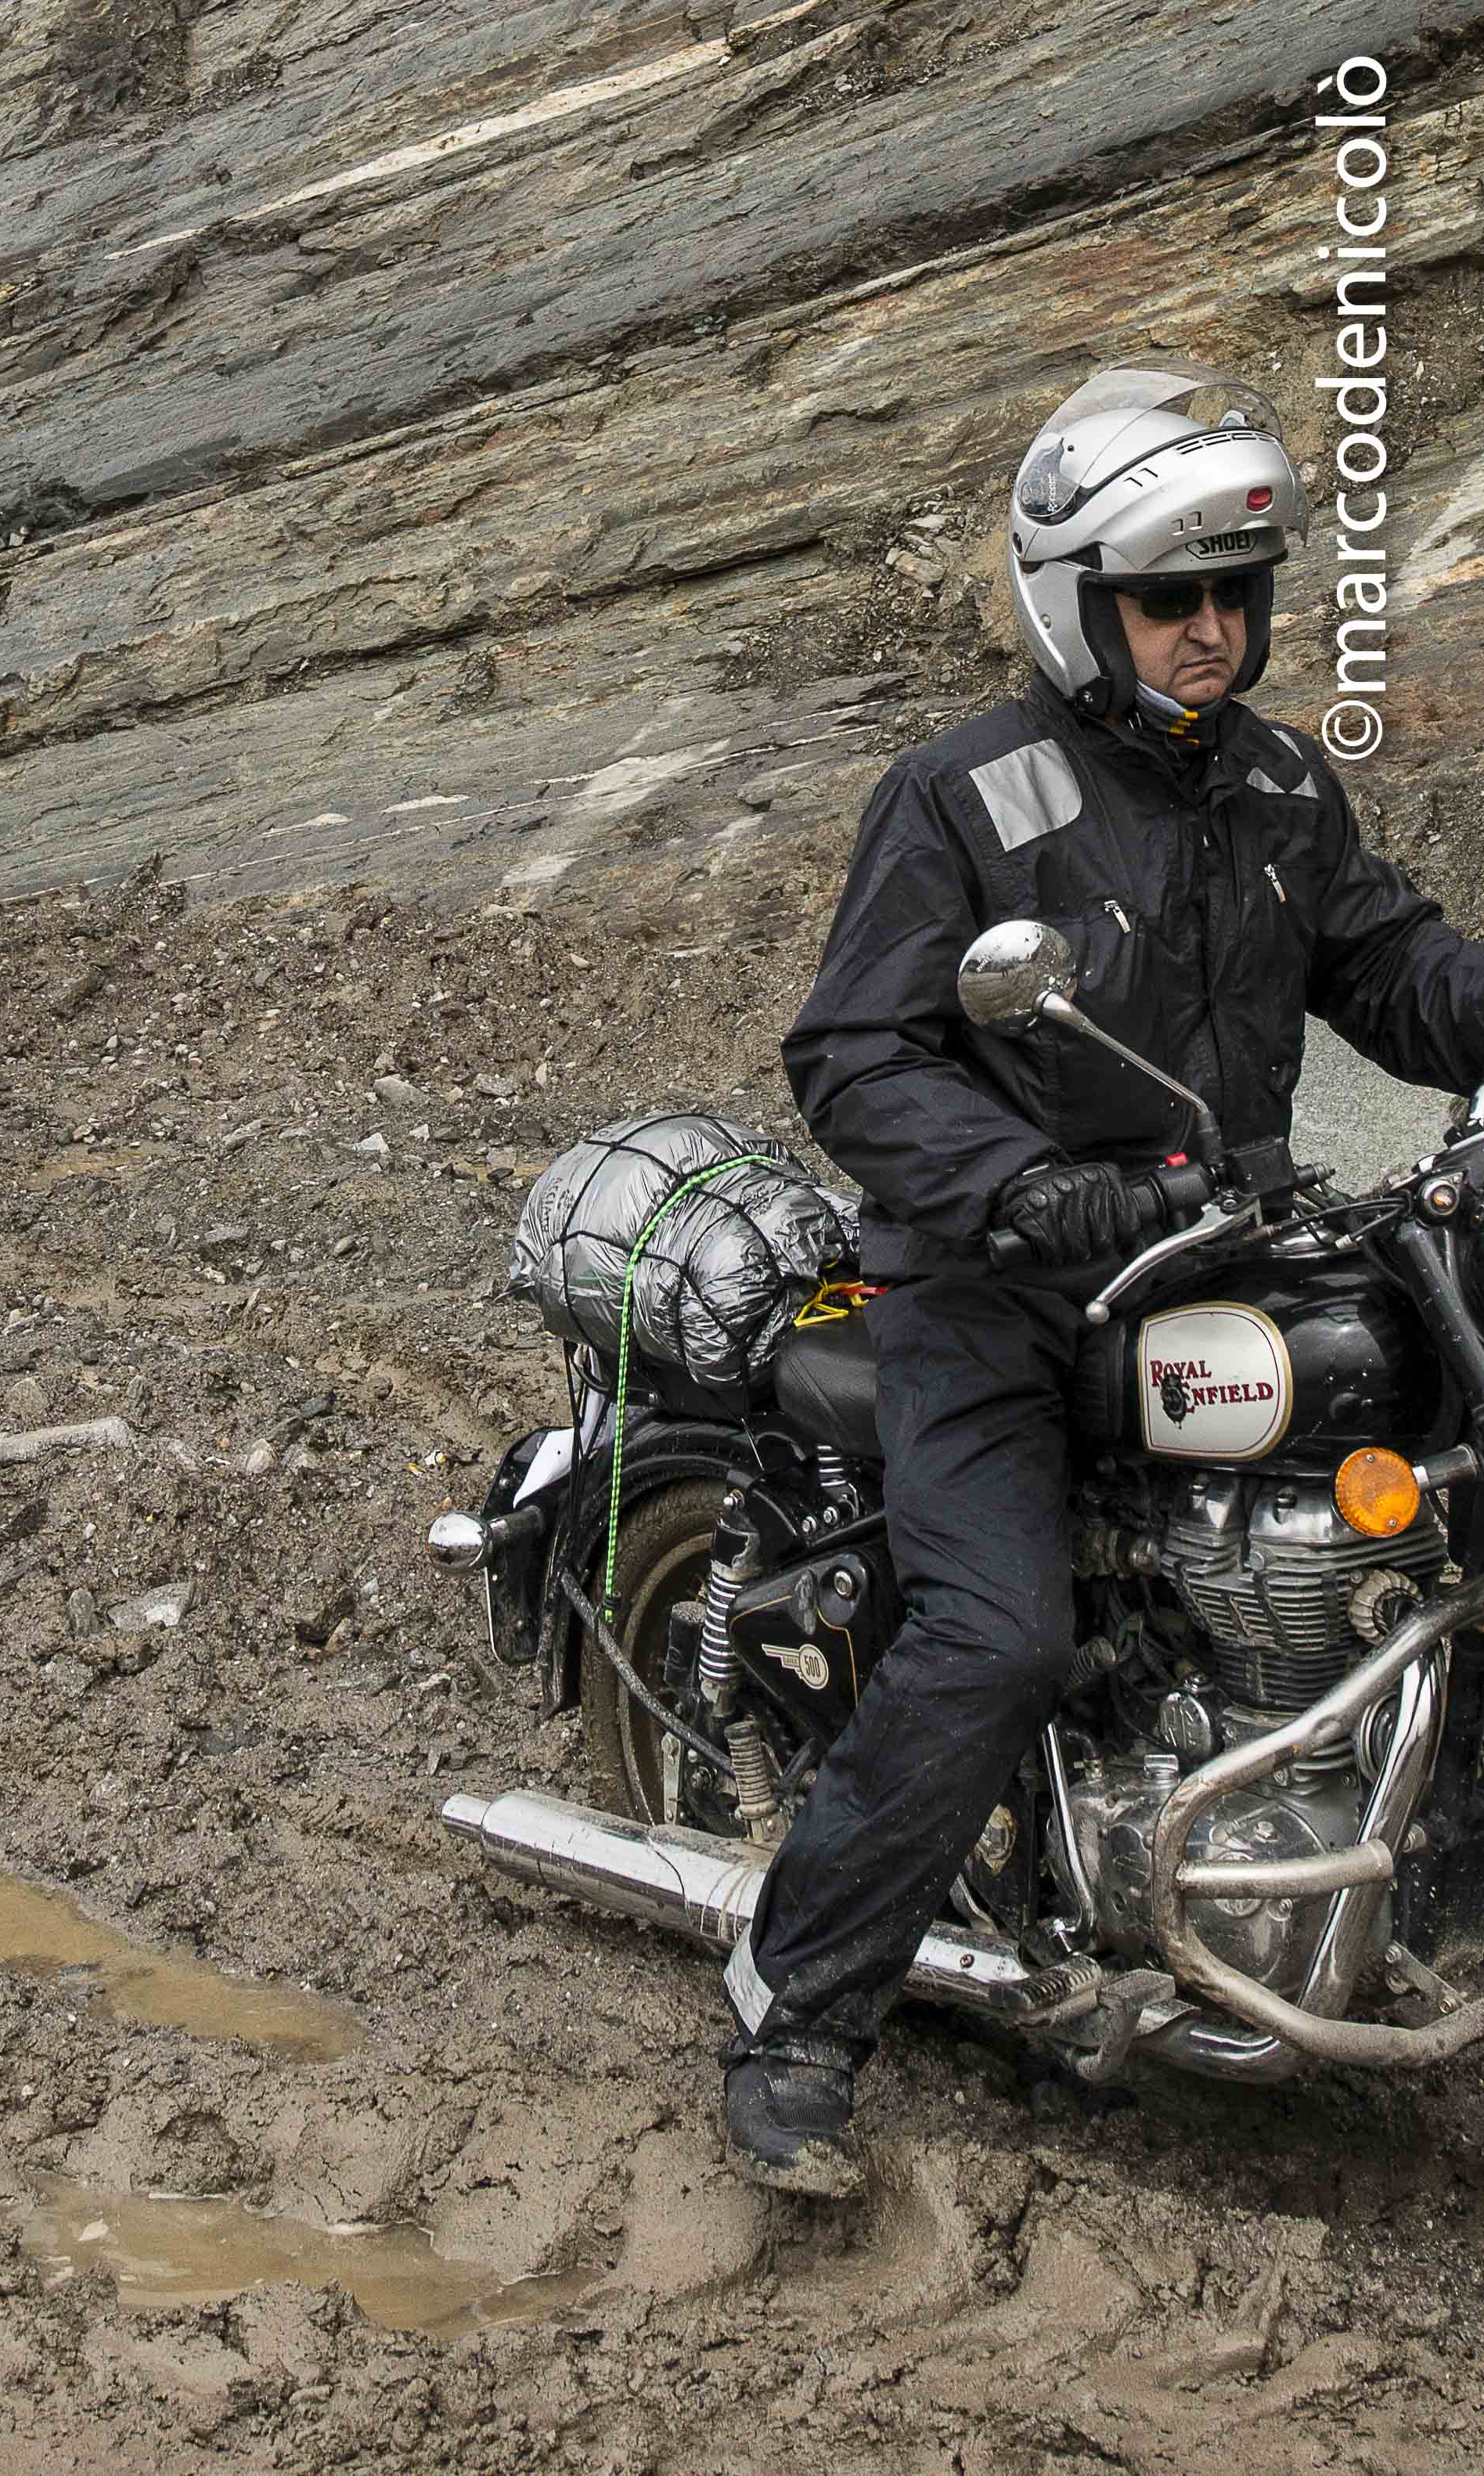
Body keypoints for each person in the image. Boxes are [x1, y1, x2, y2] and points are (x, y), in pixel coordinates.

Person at [746, 361, 1484, 2194]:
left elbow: (1393, 973)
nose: (1213, 631)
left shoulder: (1280, 781)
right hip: (989, 1294)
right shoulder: (965, 799)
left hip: (1204, 1263)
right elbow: (854, 1053)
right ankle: (800, 2016)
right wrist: (1025, 1186)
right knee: (996, 1634)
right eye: (1173, 599)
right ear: (1081, 601)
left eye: (1236, 595)